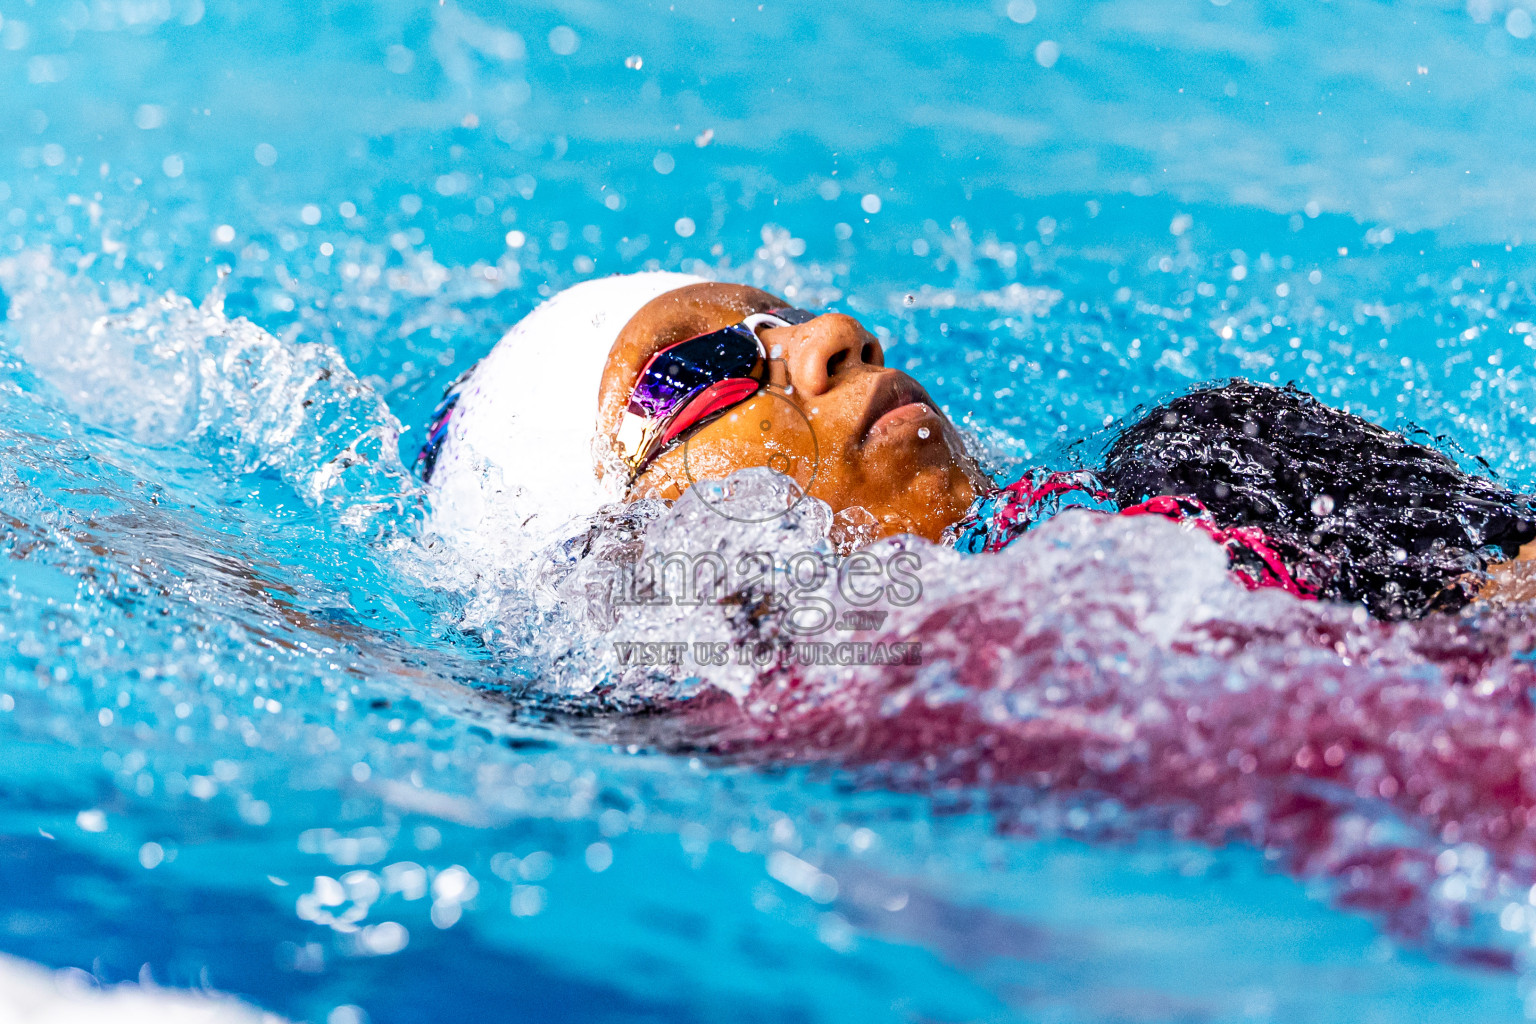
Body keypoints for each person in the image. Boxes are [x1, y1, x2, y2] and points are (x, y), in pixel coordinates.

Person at [421, 273, 1536, 620]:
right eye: (697, 368)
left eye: (786, 317)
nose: (831, 339)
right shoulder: (714, 753)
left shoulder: (1218, 467)